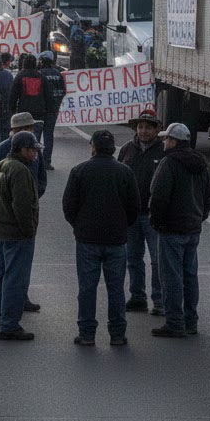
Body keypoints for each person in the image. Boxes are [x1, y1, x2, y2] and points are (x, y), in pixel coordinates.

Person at [61, 129, 139, 347]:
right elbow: (134, 207)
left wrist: (79, 227)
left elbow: (69, 206)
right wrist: (123, 226)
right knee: (116, 289)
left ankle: (86, 333)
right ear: (113, 148)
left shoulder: (79, 171)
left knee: (87, 288)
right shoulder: (125, 172)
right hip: (116, 239)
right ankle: (117, 334)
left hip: (88, 239)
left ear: (93, 147)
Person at [149, 122, 210, 339]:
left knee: (171, 277)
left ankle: (175, 322)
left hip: (171, 229)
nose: (164, 142)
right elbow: (208, 197)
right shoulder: (200, 163)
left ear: (174, 141)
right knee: (189, 276)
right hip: (192, 228)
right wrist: (199, 218)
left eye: (166, 138)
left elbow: (158, 196)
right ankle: (190, 321)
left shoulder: (169, 163)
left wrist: (157, 222)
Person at [0, 130, 41, 341]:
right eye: (32, 151)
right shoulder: (19, 171)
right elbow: (22, 206)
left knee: (1, 278)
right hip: (16, 234)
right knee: (15, 280)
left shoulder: (0, 166)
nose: (35, 155)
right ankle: (9, 325)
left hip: (1, 231)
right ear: (23, 150)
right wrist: (28, 231)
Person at [118, 110, 165, 316]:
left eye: (148, 127)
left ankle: (160, 300)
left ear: (157, 129)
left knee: (157, 260)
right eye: (140, 127)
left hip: (153, 216)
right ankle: (137, 297)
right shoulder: (128, 149)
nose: (143, 131)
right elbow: (118, 176)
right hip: (131, 215)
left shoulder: (163, 151)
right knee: (133, 258)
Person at [37, 51, 67, 170]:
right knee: (49, 136)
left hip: (41, 109)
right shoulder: (57, 74)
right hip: (53, 110)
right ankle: (47, 161)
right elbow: (63, 91)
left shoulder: (39, 74)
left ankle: (37, 160)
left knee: (37, 135)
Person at [9, 53, 48, 124]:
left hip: (23, 110)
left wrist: (12, 110)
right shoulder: (42, 77)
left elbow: (13, 95)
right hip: (39, 111)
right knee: (36, 133)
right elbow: (48, 95)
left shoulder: (20, 76)